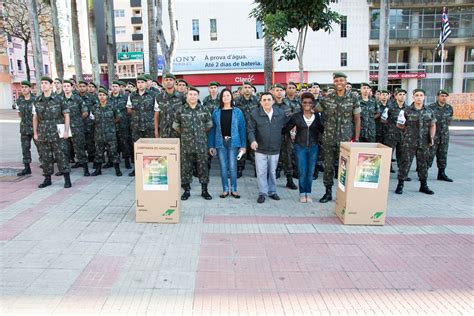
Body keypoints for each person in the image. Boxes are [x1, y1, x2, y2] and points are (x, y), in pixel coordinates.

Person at [314, 72, 361, 203]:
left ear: (346, 82)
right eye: (336, 81)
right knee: (328, 167)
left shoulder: (353, 98)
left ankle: (345, 194)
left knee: (345, 168)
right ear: (333, 83)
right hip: (329, 139)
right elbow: (314, 111)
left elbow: (357, 120)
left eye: (341, 80)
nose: (339, 83)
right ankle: (327, 192)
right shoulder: (327, 98)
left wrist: (356, 139)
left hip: (345, 140)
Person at [173, 86, 213, 200]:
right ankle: (186, 190)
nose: (192, 96)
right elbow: (176, 126)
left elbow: (209, 124)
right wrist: (186, 134)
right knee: (186, 168)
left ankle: (204, 191)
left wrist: (200, 133)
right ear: (187, 96)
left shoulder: (203, 109)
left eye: (195, 94)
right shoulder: (181, 110)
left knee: (203, 168)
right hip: (186, 145)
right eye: (190, 94)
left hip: (201, 144)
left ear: (198, 96)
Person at [248, 92, 288, 203]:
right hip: (260, 148)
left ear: (273, 101)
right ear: (260, 102)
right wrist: (253, 140)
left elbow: (286, 126)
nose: (266, 102)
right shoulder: (255, 113)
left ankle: (272, 191)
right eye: (264, 100)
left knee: (272, 172)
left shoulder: (280, 113)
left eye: (269, 99)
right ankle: (262, 193)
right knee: (261, 172)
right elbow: (251, 129)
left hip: (275, 148)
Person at [32, 76, 72, 188]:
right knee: (45, 157)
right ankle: (47, 179)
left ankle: (67, 178)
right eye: (42, 83)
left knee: (61, 155)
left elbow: (66, 115)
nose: (43, 85)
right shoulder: (37, 100)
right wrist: (35, 132)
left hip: (57, 131)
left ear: (51, 85)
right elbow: (35, 117)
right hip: (43, 132)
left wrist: (66, 131)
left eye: (46, 83)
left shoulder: (59, 99)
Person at [395, 89, 436, 195]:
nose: (419, 97)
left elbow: (432, 125)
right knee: (405, 163)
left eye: (421, 95)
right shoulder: (406, 111)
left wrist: (431, 137)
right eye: (416, 95)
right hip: (409, 142)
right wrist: (407, 132)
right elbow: (399, 125)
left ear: (424, 97)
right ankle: (400, 185)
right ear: (413, 97)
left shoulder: (429, 111)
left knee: (423, 164)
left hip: (424, 142)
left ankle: (424, 185)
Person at [284, 92, 323, 203]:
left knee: (310, 172)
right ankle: (302, 193)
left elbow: (322, 129)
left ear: (313, 104)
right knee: (302, 171)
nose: (307, 104)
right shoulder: (296, 116)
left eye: (310, 102)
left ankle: (308, 193)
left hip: (313, 146)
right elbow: (286, 128)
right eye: (305, 102)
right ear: (301, 103)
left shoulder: (317, 117)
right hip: (299, 146)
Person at [208, 89, 247, 198]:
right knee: (223, 166)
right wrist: (211, 145)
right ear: (221, 98)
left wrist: (243, 146)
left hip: (233, 142)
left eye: (228, 95)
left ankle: (234, 189)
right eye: (223, 95)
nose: (226, 97)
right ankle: (225, 189)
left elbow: (242, 129)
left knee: (233, 166)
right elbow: (212, 129)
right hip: (220, 143)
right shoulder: (216, 112)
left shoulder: (237, 112)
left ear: (231, 97)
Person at [126, 75, 156, 176]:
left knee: (150, 148)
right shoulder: (132, 95)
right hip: (136, 126)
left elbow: (156, 110)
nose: (140, 84)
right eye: (138, 82)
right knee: (137, 148)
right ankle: (137, 168)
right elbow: (129, 109)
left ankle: (150, 168)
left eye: (142, 82)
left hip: (149, 126)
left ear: (146, 83)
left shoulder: (153, 94)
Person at [90, 88, 122, 177]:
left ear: (107, 96)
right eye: (100, 95)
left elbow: (118, 117)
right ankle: (98, 170)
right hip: (98, 134)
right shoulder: (94, 107)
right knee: (99, 152)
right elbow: (92, 119)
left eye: (103, 95)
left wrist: (111, 124)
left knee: (113, 152)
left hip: (110, 134)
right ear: (98, 96)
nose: (102, 97)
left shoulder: (112, 106)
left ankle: (117, 170)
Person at [272, 83, 298, 190]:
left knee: (288, 157)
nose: (278, 92)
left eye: (281, 90)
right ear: (273, 92)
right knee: (272, 158)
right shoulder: (269, 104)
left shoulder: (289, 105)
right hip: (272, 135)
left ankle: (289, 180)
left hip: (286, 135)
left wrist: (293, 132)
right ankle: (271, 180)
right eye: (276, 90)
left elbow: (294, 120)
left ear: (284, 92)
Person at [62, 79, 90, 176]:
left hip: (76, 127)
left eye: (68, 86)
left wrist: (77, 120)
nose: (66, 88)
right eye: (64, 86)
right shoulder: (59, 99)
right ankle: (64, 169)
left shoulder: (77, 99)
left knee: (79, 148)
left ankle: (85, 169)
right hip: (63, 127)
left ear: (72, 87)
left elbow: (85, 112)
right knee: (63, 149)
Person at [234, 81, 259, 178]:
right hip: (241, 130)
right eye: (245, 87)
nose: (247, 89)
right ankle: (240, 169)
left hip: (253, 130)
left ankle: (257, 170)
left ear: (251, 89)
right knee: (241, 150)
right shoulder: (237, 101)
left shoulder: (257, 100)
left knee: (255, 151)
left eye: (249, 87)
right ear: (242, 89)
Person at [429, 89, 454, 182]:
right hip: (433, 135)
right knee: (429, 155)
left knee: (443, 154)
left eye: (445, 96)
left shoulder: (449, 108)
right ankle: (424, 173)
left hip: (444, 135)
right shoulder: (431, 107)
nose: (444, 98)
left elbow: (450, 120)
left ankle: (441, 173)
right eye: (442, 96)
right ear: (438, 97)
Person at [382, 89, 408, 175]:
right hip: (391, 135)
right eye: (400, 94)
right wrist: (391, 126)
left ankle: (402, 173)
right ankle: (387, 171)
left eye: (404, 94)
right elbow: (383, 119)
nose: (402, 96)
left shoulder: (408, 108)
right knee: (389, 154)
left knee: (402, 155)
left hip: (403, 135)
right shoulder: (390, 107)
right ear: (396, 96)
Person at [110, 80, 133, 169]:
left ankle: (127, 161)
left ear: (120, 88)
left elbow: (129, 110)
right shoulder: (108, 99)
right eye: (113, 86)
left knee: (125, 143)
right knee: (113, 143)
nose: (115, 88)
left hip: (123, 124)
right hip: (112, 125)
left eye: (116, 86)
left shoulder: (125, 98)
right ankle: (112, 161)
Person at [16, 81, 37, 176]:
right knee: (25, 148)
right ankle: (27, 168)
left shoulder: (35, 100)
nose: (24, 89)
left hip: (35, 128)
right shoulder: (19, 100)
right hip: (24, 128)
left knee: (41, 148)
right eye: (22, 87)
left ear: (30, 89)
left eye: (26, 87)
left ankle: (46, 167)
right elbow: (19, 113)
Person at [154, 73, 185, 138]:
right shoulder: (158, 97)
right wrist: (156, 131)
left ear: (174, 82)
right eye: (166, 80)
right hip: (164, 131)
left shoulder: (181, 97)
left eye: (170, 80)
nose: (168, 81)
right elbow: (156, 115)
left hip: (178, 131)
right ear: (163, 82)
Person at [77, 80, 96, 162]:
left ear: (86, 87)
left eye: (84, 86)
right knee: (79, 142)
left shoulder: (92, 97)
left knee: (90, 141)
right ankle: (81, 159)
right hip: (77, 124)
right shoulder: (75, 97)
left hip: (89, 123)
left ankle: (92, 157)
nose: (82, 88)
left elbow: (96, 108)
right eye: (80, 86)